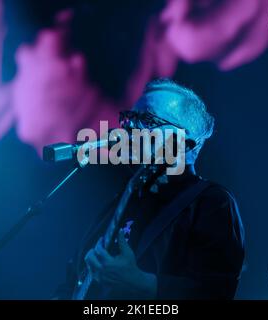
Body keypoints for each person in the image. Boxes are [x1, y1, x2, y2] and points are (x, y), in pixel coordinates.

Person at [55, 78, 245, 299]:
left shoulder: (211, 202)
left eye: (145, 119)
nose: (128, 128)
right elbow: (72, 280)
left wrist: (140, 283)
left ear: (184, 141)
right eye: (129, 117)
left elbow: (215, 294)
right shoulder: (122, 200)